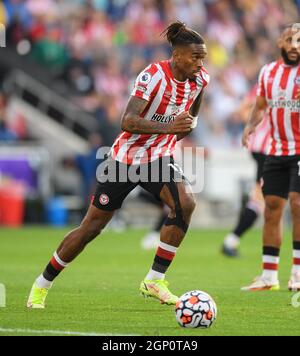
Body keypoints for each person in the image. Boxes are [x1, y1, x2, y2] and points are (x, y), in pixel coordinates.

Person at [27, 21, 209, 308]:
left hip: (158, 158)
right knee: (91, 228)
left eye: (203, 58)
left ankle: (154, 280)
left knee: (185, 202)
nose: (201, 64)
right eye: (196, 57)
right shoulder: (153, 76)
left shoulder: (200, 80)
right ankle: (42, 283)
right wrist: (170, 127)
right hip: (124, 159)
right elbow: (127, 121)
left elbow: (193, 110)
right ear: (177, 56)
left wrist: (188, 124)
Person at [241, 24, 300, 291]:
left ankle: (297, 274)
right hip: (275, 151)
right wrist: (251, 125)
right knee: (272, 208)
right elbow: (261, 105)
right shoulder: (269, 72)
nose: (294, 45)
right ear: (280, 42)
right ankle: (269, 276)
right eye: (290, 39)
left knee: (298, 205)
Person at [222, 85, 271, 257]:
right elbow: (243, 108)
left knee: (263, 198)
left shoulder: (266, 83)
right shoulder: (270, 83)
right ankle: (231, 240)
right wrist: (255, 124)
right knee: (263, 200)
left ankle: (231, 240)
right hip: (269, 151)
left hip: (265, 150)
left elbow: (243, 108)